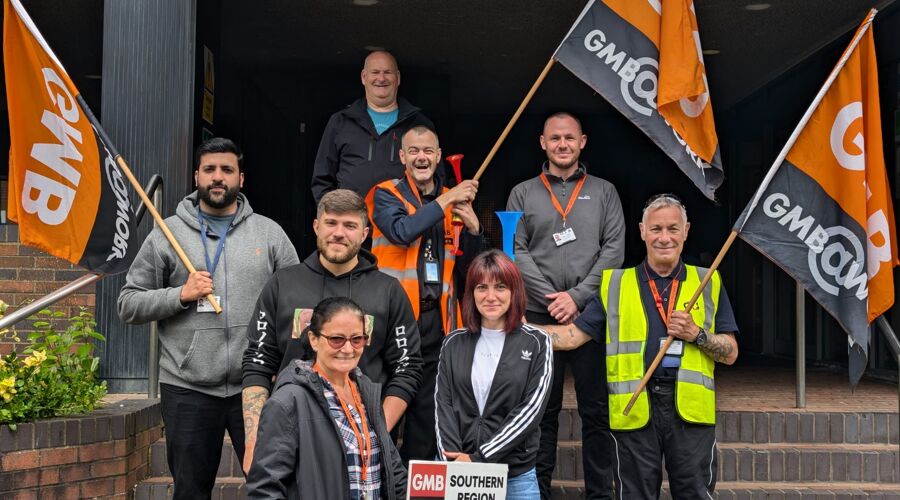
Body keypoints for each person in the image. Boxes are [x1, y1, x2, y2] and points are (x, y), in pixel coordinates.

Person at [117, 137, 299, 499]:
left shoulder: (269, 233)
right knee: (190, 490)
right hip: (188, 387)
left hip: (257, 385)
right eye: (210, 170)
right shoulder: (166, 232)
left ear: (241, 179)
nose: (218, 177)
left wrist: (284, 362)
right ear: (196, 175)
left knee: (273, 485)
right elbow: (128, 304)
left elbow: (297, 304)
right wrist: (180, 295)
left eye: (227, 170)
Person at [546, 194, 739, 499]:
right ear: (642, 231)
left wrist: (697, 334)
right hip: (636, 410)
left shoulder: (708, 281)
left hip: (690, 413)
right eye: (656, 229)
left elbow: (730, 353)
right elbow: (572, 336)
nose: (664, 238)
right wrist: (513, 330)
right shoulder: (616, 284)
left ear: (686, 231)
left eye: (673, 229)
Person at [241, 189, 423, 473]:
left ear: (364, 234)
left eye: (349, 225)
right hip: (290, 439)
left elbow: (407, 368)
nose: (339, 233)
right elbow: (257, 363)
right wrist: (254, 441)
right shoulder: (282, 285)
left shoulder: (388, 291)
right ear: (316, 227)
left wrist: (375, 432)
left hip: (364, 446)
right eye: (331, 223)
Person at [506, 111, 625, 499]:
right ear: (542, 142)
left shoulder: (604, 191)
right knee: (542, 412)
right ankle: (537, 492)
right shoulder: (523, 192)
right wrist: (550, 298)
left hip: (591, 314)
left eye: (569, 138)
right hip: (539, 316)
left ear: (582, 141)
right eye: (555, 138)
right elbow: (514, 249)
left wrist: (576, 297)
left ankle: (599, 495)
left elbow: (614, 251)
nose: (562, 144)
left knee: (596, 412)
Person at [368, 124, 482, 461]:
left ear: (438, 155)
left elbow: (472, 271)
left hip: (437, 324)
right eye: (414, 151)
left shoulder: (453, 201)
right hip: (392, 322)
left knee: (425, 421)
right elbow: (401, 231)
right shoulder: (385, 193)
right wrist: (448, 197)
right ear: (403, 157)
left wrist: (473, 228)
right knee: (383, 415)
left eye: (428, 151)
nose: (422, 157)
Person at [247, 297, 407, 499]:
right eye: (336, 339)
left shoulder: (367, 394)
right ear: (314, 339)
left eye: (357, 339)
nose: (348, 349)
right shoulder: (288, 402)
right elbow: (264, 489)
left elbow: (393, 471)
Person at [435, 250, 553, 500]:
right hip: (459, 470)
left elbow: (530, 410)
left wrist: (480, 458)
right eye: (481, 287)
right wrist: (454, 458)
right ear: (471, 293)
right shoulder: (453, 343)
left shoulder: (538, 342)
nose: (490, 296)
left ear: (514, 292)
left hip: (515, 476)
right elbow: (442, 406)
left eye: (500, 287)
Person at [311, 50, 435, 204]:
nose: (381, 78)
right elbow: (322, 179)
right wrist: (333, 216)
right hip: (352, 221)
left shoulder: (419, 124)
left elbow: (435, 179)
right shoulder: (340, 122)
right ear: (364, 77)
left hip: (404, 222)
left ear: (398, 78)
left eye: (387, 72)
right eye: (375, 72)